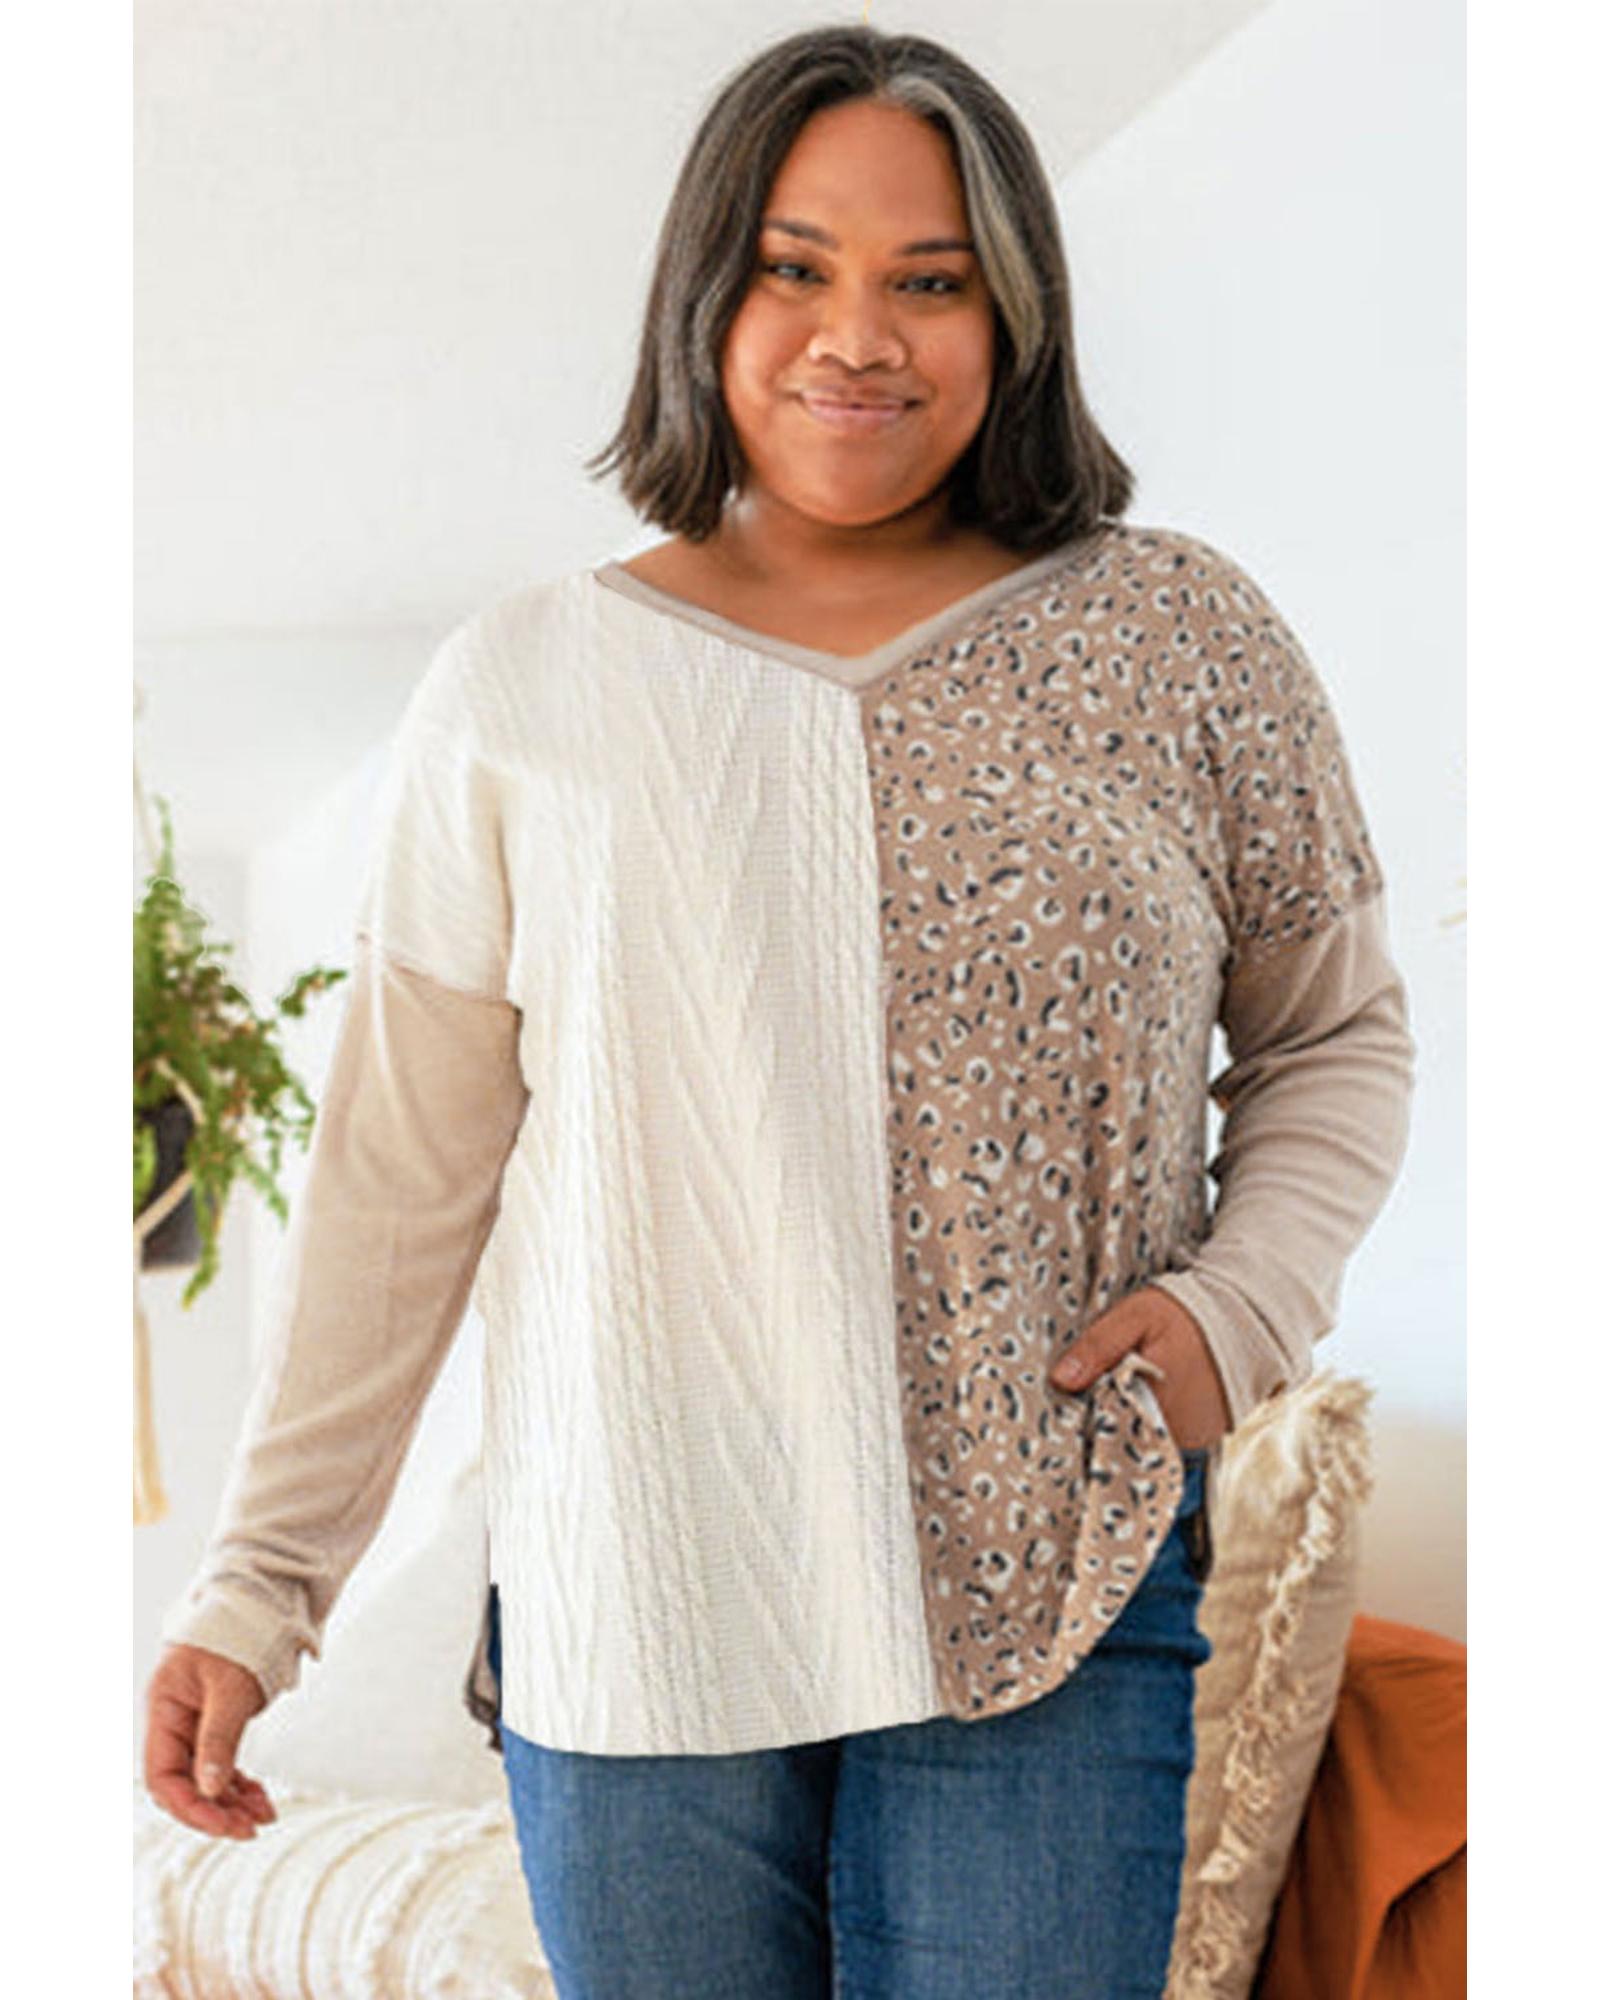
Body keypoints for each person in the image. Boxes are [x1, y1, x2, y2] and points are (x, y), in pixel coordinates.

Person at [143, 23, 1416, 1998]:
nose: (858, 336)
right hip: (639, 1596)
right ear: (703, 297)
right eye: (793, 267)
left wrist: (1234, 1310)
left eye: (933, 281)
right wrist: (260, 1588)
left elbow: (1333, 1035)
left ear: (1015, 316)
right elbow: (399, 1181)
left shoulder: (1179, 637)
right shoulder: (524, 689)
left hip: (1050, 1582)